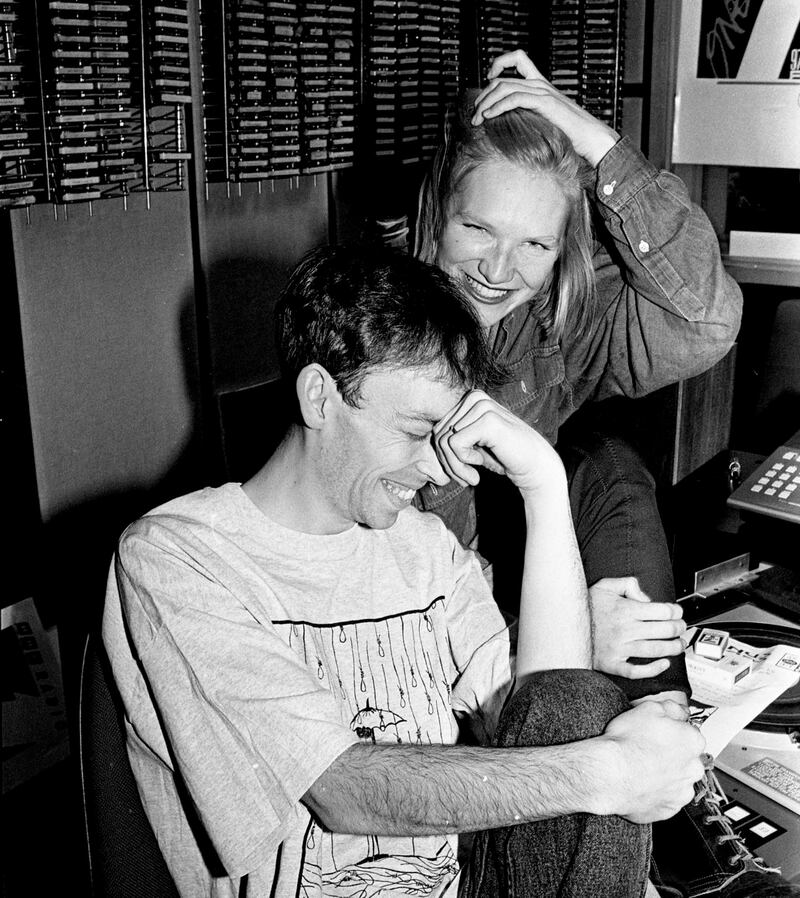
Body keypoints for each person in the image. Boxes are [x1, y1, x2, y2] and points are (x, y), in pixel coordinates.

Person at [104, 244, 712, 898]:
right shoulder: (178, 556)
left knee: (584, 706)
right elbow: (341, 792)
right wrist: (609, 774)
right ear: (320, 396)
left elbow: (553, 713)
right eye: (416, 431)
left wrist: (543, 485)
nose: (436, 469)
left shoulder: (423, 547)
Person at [414, 49, 744, 707]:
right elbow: (388, 603)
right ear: (435, 212)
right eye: (477, 228)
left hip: (517, 601)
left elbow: (705, 319)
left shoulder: (545, 320)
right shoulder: (372, 334)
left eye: (534, 244)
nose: (497, 271)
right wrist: (565, 633)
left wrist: (599, 146)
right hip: (442, 662)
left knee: (610, 465)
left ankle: (661, 727)